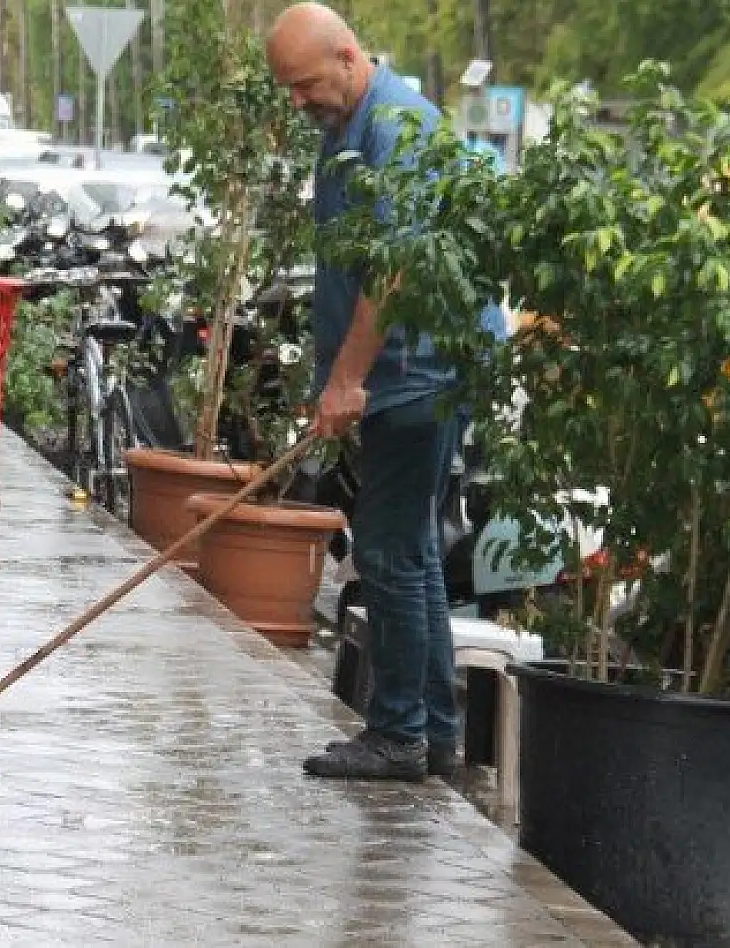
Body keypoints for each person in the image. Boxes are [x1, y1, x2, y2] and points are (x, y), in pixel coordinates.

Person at [268, 2, 478, 781]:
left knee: (389, 552)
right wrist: (333, 379)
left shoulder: (397, 128)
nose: (298, 101)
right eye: (289, 89)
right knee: (413, 552)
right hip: (392, 376)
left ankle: (398, 734)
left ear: (350, 56)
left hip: (415, 376)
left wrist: (349, 378)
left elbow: (395, 270)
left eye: (306, 84)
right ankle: (433, 730)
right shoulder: (344, 130)